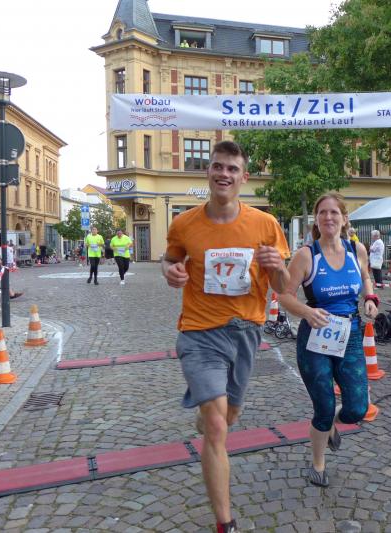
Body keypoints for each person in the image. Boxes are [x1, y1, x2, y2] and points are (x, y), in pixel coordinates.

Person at [162, 141, 290, 533]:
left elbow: (282, 286)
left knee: (228, 416)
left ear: (243, 177)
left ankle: (210, 416)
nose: (224, 174)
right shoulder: (185, 223)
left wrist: (277, 266)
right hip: (199, 333)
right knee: (218, 427)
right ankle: (226, 523)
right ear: (208, 172)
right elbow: (171, 258)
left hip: (245, 333)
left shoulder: (265, 225)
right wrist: (170, 271)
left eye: (232, 169)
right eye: (218, 166)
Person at [278, 192, 377, 488]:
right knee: (322, 406)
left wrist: (370, 298)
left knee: (357, 408)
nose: (328, 217)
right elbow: (284, 296)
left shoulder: (356, 249)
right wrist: (307, 312)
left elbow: (366, 277)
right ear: (317, 220)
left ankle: (332, 423)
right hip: (314, 339)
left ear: (344, 219)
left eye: (334, 212)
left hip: (350, 334)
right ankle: (318, 464)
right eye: (322, 212)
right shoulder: (306, 255)